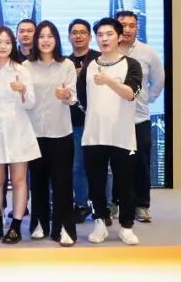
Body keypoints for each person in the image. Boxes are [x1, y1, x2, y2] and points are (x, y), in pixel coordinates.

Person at [77, 17, 143, 246]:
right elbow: (82, 98)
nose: (104, 39)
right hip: (94, 135)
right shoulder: (89, 65)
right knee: (95, 182)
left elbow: (130, 94)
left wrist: (108, 81)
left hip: (122, 136)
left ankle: (126, 226)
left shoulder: (131, 64)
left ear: (119, 37)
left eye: (109, 34)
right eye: (100, 35)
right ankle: (99, 223)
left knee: (125, 183)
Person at [0, 26, 39, 244]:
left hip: (18, 129)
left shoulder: (21, 69)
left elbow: (31, 103)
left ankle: (15, 226)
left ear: (12, 44)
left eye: (7, 42)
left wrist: (23, 89)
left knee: (18, 180)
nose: (3, 46)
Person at [25, 21, 78, 246]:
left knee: (62, 182)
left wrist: (66, 95)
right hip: (34, 132)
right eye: (41, 36)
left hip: (60, 132)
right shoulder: (26, 66)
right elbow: (25, 100)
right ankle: (39, 223)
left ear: (56, 39)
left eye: (50, 36)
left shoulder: (66, 65)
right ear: (36, 40)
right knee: (37, 181)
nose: (45, 40)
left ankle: (64, 227)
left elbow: (73, 98)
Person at [116, 10, 166, 223]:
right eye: (122, 25)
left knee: (141, 163)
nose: (127, 29)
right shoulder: (107, 52)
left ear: (137, 28)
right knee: (114, 164)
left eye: (132, 25)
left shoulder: (148, 53)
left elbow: (159, 80)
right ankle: (114, 203)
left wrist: (146, 99)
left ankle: (142, 205)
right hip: (113, 119)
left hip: (139, 118)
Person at [67, 19, 100, 223]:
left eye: (82, 32)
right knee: (77, 165)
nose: (78, 36)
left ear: (89, 36)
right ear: (69, 36)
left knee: (101, 165)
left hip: (99, 120)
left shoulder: (99, 59)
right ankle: (81, 204)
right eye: (74, 32)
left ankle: (104, 206)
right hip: (76, 120)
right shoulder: (65, 62)